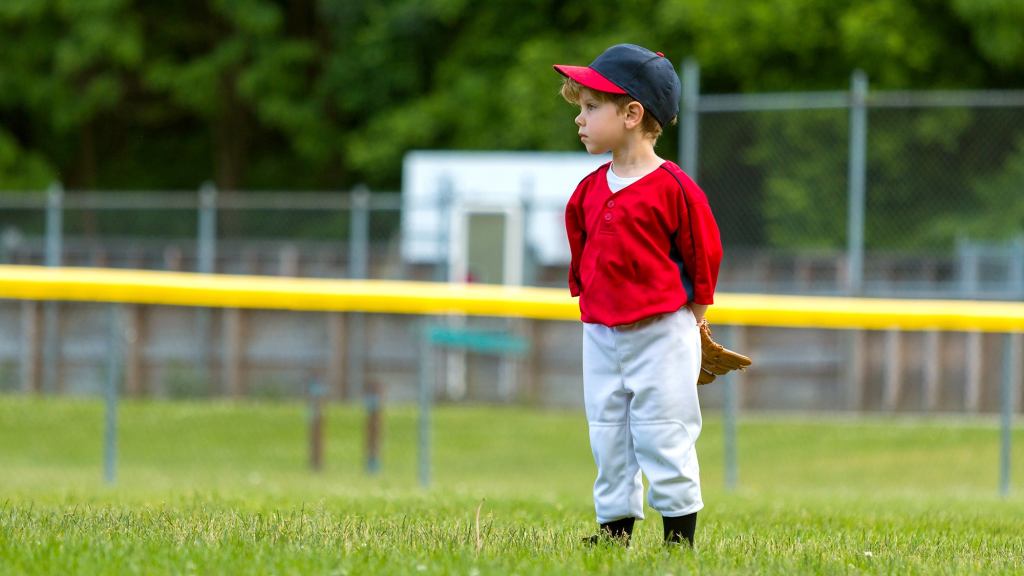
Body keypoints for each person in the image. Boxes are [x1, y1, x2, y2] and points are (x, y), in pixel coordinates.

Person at [553, 44, 723, 547]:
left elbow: (702, 258)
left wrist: (692, 325)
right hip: (602, 333)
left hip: (661, 330)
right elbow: (583, 259)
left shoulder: (674, 188)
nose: (579, 119)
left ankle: (679, 539)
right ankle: (614, 532)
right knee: (607, 433)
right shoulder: (588, 190)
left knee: (664, 430)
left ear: (631, 114)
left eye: (590, 107)